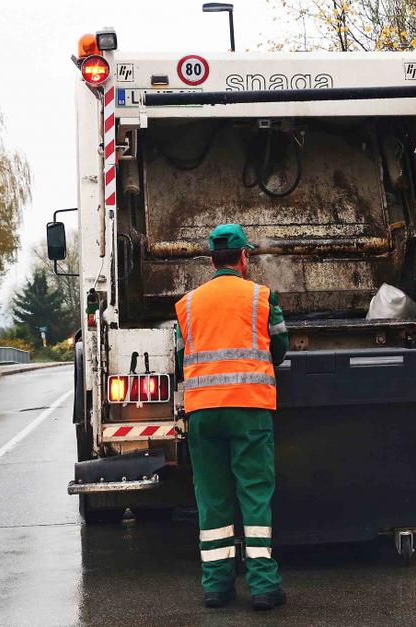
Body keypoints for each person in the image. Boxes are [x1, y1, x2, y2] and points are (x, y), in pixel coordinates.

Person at [174, 224, 289, 610]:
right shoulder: (261, 297)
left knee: (212, 498)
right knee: (254, 495)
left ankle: (217, 587)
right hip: (249, 408)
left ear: (211, 260)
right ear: (244, 258)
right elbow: (280, 347)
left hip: (203, 411)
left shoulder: (187, 304)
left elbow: (181, 356)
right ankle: (262, 587)